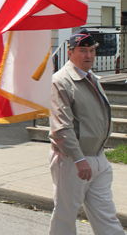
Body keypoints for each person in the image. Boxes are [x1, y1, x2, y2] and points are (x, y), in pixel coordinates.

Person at [48, 29, 124, 235]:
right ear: (70, 52)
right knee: (65, 215)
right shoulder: (61, 81)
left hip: (98, 158)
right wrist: (79, 159)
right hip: (73, 160)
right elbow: (61, 127)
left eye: (91, 50)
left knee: (105, 214)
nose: (89, 55)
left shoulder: (91, 77)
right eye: (83, 50)